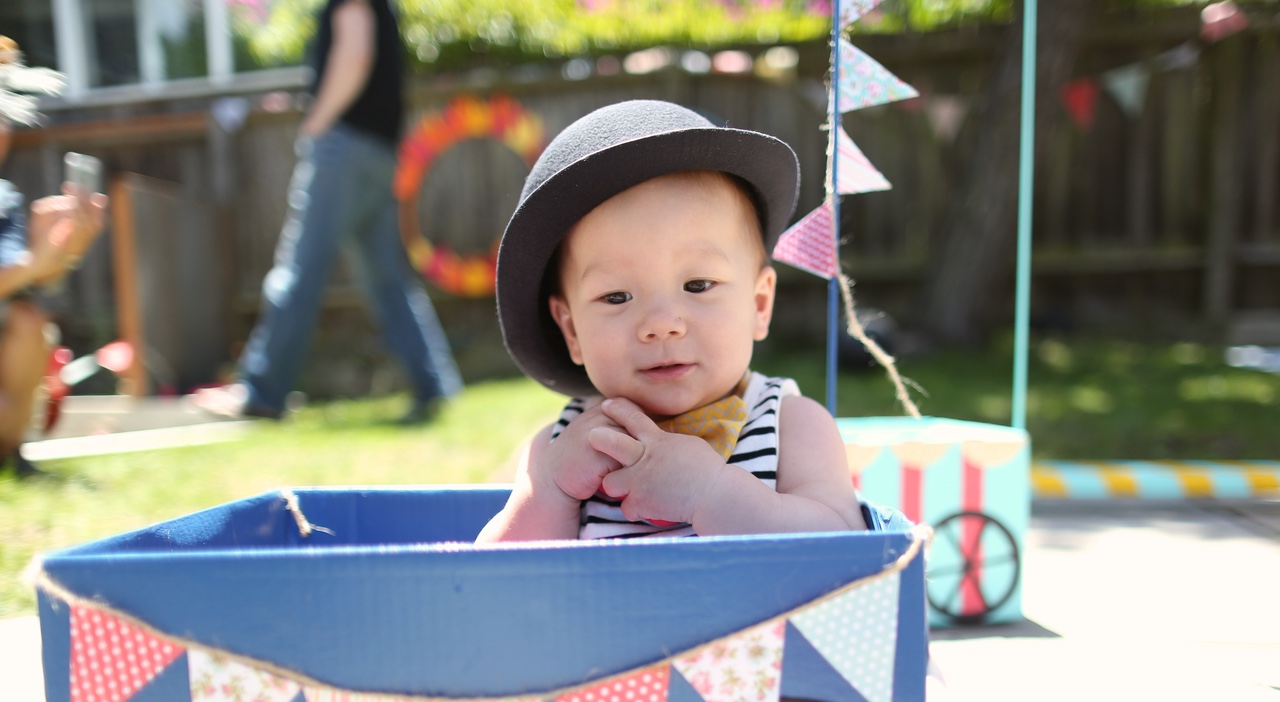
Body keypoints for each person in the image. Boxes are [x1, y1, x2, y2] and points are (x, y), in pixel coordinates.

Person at [477, 100, 866, 542]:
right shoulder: (560, 447)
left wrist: (711, 493)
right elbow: (489, 573)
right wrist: (549, 493)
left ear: (759, 304)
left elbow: (846, 543)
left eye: (698, 285)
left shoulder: (790, 424)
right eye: (616, 296)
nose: (661, 324)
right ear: (571, 330)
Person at [194, 0, 460, 422]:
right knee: (389, 282)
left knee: (299, 271)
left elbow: (355, 56)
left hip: (344, 150)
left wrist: (317, 122)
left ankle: (262, 392)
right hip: (379, 153)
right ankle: (435, 385)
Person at [0, 37, 107, 477]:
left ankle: (10, 453)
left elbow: (23, 284)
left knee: (28, 319)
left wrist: (65, 249)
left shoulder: (4, 199)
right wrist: (34, 263)